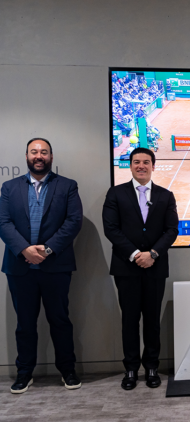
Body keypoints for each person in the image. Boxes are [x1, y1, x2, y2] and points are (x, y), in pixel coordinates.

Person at [0, 138, 83, 394]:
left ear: (51, 157)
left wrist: (46, 251)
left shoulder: (67, 186)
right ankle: (24, 373)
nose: (39, 156)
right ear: (26, 156)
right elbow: (3, 223)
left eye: (44, 152)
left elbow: (73, 221)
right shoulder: (9, 187)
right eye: (34, 152)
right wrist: (24, 250)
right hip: (20, 268)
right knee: (25, 324)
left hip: (55, 266)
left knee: (60, 321)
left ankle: (67, 370)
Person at [102, 147, 178, 390]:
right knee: (130, 320)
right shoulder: (115, 194)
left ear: (153, 166)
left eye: (146, 162)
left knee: (152, 321)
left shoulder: (166, 196)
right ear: (130, 165)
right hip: (126, 268)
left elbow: (171, 231)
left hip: (155, 267)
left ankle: (152, 367)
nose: (141, 166)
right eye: (136, 162)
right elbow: (111, 229)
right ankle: (131, 369)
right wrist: (136, 255)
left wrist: (153, 254)